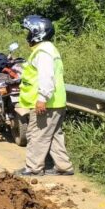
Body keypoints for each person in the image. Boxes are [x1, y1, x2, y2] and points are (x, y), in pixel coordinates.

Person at [15, 16, 74, 177]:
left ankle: (33, 168)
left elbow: (46, 77)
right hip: (56, 102)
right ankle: (64, 166)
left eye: (29, 32)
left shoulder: (43, 52)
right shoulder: (48, 49)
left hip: (46, 103)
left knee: (37, 135)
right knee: (54, 135)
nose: (27, 36)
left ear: (37, 33)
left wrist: (42, 98)